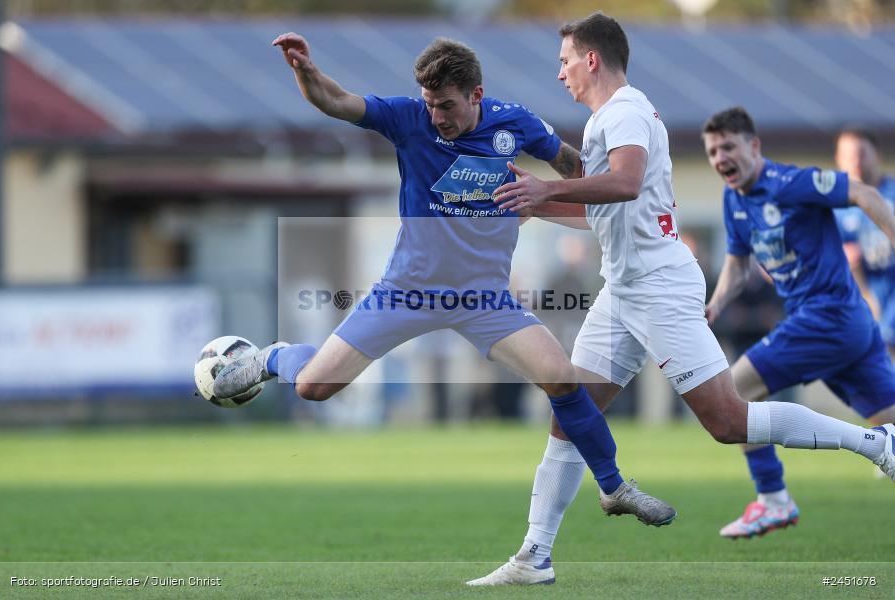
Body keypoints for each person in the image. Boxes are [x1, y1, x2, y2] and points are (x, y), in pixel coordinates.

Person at [466, 13, 895, 586]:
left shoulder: (624, 112)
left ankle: (875, 442)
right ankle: (533, 557)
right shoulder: (610, 117)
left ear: (592, 59)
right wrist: (527, 200)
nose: (559, 70)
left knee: (726, 420)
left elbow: (625, 182)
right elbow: (602, 209)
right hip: (623, 289)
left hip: (659, 286)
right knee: (572, 414)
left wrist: (547, 184)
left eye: (565, 58)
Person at [213, 31, 677, 561]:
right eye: (431, 105)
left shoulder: (516, 122)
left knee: (563, 380)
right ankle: (272, 356)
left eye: (447, 105)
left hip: (485, 300)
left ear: (476, 94)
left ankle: (614, 487)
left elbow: (572, 164)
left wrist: (620, 189)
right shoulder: (408, 118)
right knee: (315, 388)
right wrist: (305, 72)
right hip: (406, 292)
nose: (437, 117)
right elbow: (338, 102)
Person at [700, 109, 895, 539]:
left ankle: (773, 499)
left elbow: (863, 193)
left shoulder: (792, 182)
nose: (719, 158)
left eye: (728, 146)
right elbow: (737, 263)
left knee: (734, 393)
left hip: (828, 317)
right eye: (713, 151)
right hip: (840, 325)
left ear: (754, 146)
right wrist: (714, 306)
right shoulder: (734, 200)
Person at [834, 128, 895, 355]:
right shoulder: (835, 208)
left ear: (877, 154)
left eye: (861, 153)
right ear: (838, 160)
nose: (855, 161)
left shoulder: (891, 195)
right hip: (861, 304)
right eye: (848, 155)